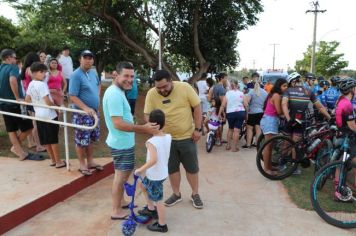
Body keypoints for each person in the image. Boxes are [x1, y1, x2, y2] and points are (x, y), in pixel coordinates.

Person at [102, 61, 159, 220]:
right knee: (120, 177)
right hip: (121, 143)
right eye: (126, 76)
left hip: (123, 142)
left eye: (132, 76)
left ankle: (121, 201)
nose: (129, 79)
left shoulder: (118, 91)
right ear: (116, 75)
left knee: (124, 174)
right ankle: (115, 210)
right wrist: (144, 128)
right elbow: (118, 123)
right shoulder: (114, 94)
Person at [144, 69, 204, 209]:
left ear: (171, 81)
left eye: (165, 86)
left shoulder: (184, 87)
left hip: (187, 137)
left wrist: (198, 129)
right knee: (172, 168)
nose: (162, 90)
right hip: (166, 140)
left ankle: (195, 194)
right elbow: (147, 114)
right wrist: (155, 130)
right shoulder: (152, 93)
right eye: (158, 87)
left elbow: (197, 107)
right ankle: (176, 194)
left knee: (191, 168)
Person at [282, 72, 331, 174]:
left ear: (292, 81)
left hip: (290, 120)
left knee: (286, 142)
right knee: (295, 144)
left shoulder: (288, 91)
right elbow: (320, 107)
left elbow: (284, 105)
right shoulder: (309, 91)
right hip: (301, 121)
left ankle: (282, 163)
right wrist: (329, 117)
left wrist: (288, 118)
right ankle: (294, 167)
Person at [0, 49, 41, 161]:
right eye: (14, 57)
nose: (15, 59)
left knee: (11, 129)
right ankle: (15, 148)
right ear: (9, 58)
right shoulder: (12, 67)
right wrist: (17, 97)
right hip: (14, 103)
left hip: (3, 103)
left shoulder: (0, 68)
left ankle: (20, 152)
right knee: (28, 127)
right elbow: (13, 80)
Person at [135, 109, 171, 233]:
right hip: (161, 172)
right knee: (143, 184)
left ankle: (162, 224)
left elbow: (153, 160)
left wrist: (140, 169)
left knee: (158, 199)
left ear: (151, 125)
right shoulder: (168, 137)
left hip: (155, 175)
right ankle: (150, 208)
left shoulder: (151, 142)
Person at [25, 62, 65, 168]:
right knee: (53, 139)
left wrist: (37, 103)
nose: (44, 74)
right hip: (49, 115)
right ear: (34, 73)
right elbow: (48, 102)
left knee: (46, 139)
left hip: (39, 115)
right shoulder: (41, 84)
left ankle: (53, 160)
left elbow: (27, 100)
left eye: (44, 72)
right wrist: (56, 106)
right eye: (41, 72)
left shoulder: (31, 84)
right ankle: (58, 162)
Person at [69, 50, 102, 176]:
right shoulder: (76, 75)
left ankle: (90, 161)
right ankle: (82, 164)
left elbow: (98, 85)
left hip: (94, 112)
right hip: (82, 114)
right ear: (80, 59)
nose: (88, 60)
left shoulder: (93, 73)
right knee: (81, 140)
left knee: (90, 139)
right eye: (85, 57)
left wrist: (96, 97)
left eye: (90, 58)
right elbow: (72, 95)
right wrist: (85, 108)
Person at [260, 78, 288, 175]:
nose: (286, 88)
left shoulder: (274, 94)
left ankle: (269, 166)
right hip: (270, 121)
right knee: (268, 147)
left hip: (270, 120)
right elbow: (279, 111)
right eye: (284, 86)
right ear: (279, 86)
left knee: (270, 146)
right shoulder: (276, 95)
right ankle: (266, 169)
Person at [334, 78, 356, 200]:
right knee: (345, 162)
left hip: (341, 134)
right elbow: (352, 126)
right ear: (351, 89)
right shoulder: (347, 104)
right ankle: (341, 190)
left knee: (340, 163)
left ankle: (338, 190)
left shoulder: (340, 100)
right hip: (347, 136)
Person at [20, 52, 46, 152]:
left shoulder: (25, 69)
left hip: (28, 96)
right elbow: (38, 81)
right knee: (35, 123)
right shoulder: (31, 70)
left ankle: (31, 142)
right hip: (33, 97)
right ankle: (39, 145)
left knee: (32, 121)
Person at [218, 80, 246, 152]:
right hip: (240, 112)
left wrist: (219, 114)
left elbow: (223, 105)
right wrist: (247, 113)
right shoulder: (241, 93)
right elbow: (246, 105)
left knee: (230, 129)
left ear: (230, 86)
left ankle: (228, 145)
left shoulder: (227, 93)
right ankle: (234, 148)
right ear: (237, 85)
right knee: (237, 130)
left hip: (230, 113)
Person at [243, 79, 268, 149]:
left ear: (253, 84)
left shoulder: (251, 91)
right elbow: (266, 103)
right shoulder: (265, 92)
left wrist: (247, 110)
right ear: (261, 84)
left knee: (249, 129)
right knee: (258, 129)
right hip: (261, 112)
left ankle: (248, 145)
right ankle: (257, 144)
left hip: (252, 112)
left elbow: (246, 102)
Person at [211, 72, 228, 145]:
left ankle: (219, 139)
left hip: (216, 107)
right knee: (219, 125)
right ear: (222, 78)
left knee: (217, 124)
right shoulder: (221, 88)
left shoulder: (215, 86)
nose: (227, 80)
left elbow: (212, 97)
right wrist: (223, 112)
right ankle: (218, 140)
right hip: (220, 108)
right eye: (226, 78)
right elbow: (222, 101)